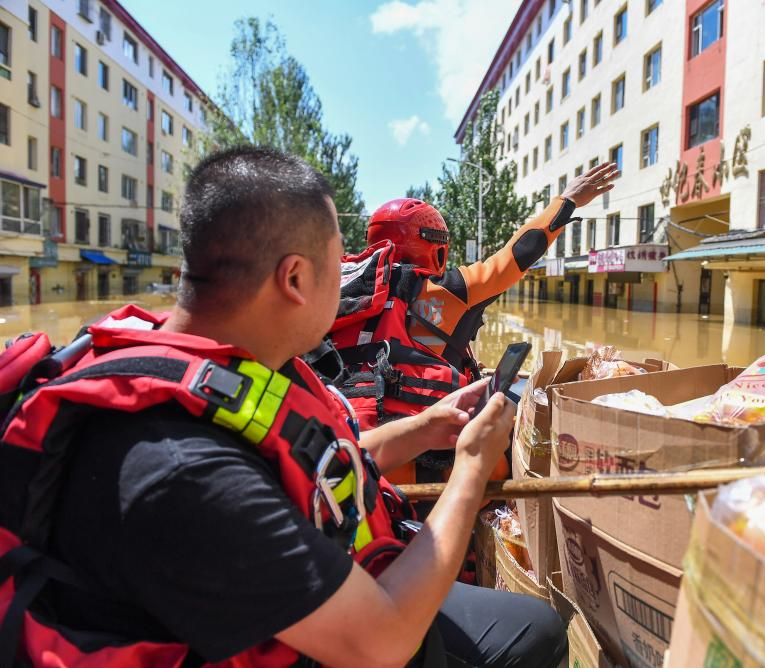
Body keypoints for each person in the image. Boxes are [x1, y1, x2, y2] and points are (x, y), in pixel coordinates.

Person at [0, 147, 565, 667]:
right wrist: (471, 467)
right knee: (535, 636)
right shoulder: (184, 473)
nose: (354, 280)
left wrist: (421, 429)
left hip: (316, 588)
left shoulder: (215, 360)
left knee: (534, 626)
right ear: (294, 277)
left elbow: (309, 464)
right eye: (339, 262)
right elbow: (381, 643)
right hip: (358, 634)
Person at [314, 162, 619, 485]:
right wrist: (566, 202)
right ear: (437, 248)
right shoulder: (445, 290)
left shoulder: (337, 292)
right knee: (512, 445)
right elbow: (516, 256)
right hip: (415, 459)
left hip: (342, 448)